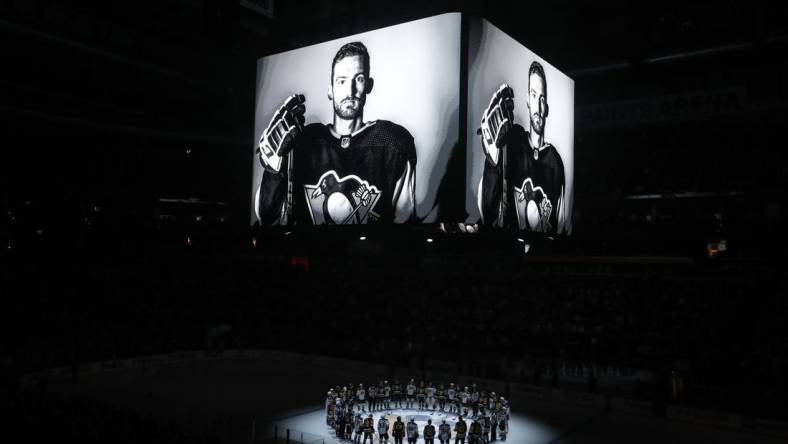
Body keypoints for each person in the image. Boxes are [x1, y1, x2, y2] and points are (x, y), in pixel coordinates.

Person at [256, 41, 417, 225]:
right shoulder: (304, 142)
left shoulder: (391, 143)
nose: (350, 91)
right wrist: (272, 169)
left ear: (369, 85)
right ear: (330, 90)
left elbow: (404, 226)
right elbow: (267, 217)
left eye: (359, 79)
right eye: (341, 81)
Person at [477, 61, 566, 234]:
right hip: (508, 249)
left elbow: (561, 225)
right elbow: (487, 210)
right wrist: (492, 161)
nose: (538, 106)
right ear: (527, 100)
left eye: (542, 98)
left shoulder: (555, 162)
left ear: (546, 107)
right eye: (533, 95)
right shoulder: (514, 141)